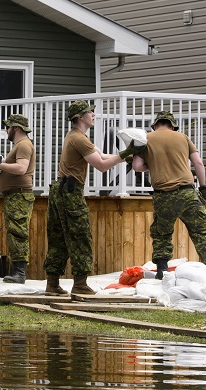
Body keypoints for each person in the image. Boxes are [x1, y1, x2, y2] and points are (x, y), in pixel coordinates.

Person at [43, 101, 125, 296]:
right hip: (70, 193)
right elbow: (102, 165)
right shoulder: (79, 139)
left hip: (60, 190)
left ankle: (52, 284)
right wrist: (126, 155)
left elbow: (103, 156)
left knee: (59, 239)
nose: (94, 115)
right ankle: (80, 283)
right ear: (81, 117)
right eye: (91, 112)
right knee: (81, 237)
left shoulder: (76, 137)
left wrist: (125, 156)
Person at [131, 110, 206, 278]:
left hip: (163, 196)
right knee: (202, 234)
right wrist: (204, 188)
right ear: (172, 125)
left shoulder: (145, 139)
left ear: (155, 125)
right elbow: (198, 162)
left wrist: (153, 164)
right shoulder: (183, 137)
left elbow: (137, 167)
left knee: (162, 234)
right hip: (188, 194)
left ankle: (162, 271)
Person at [0, 114, 36, 284]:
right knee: (15, 233)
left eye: (8, 127)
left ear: (15, 128)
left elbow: (21, 168)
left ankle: (19, 272)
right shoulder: (20, 145)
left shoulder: (23, 145)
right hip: (14, 195)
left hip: (19, 195)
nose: (6, 131)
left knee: (18, 233)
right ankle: (16, 270)